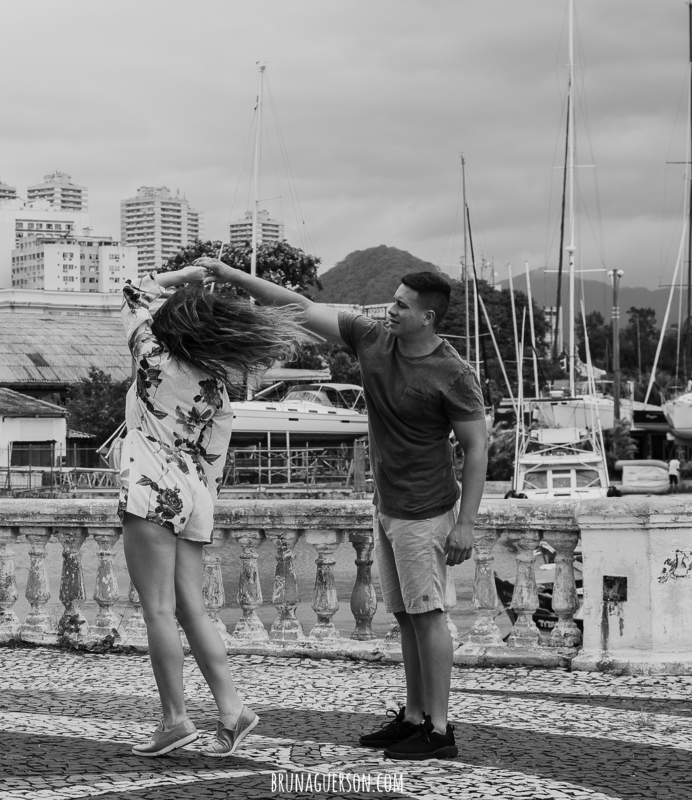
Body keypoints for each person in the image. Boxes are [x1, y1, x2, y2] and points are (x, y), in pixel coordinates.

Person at [203, 258, 487, 761]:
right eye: (392, 301)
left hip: (426, 510)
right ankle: (414, 717)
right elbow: (299, 306)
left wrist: (466, 523)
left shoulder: (453, 373)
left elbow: (477, 448)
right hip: (388, 506)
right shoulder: (371, 338)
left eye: (401, 306)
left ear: (427, 317)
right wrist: (230, 274)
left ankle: (439, 730)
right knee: (406, 616)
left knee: (429, 616)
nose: (391, 310)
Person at [117, 264, 307, 758]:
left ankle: (175, 720)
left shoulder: (151, 356)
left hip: (151, 485)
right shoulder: (217, 388)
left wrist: (188, 273)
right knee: (191, 609)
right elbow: (214, 460)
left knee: (159, 610)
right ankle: (231, 709)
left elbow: (133, 288)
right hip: (195, 492)